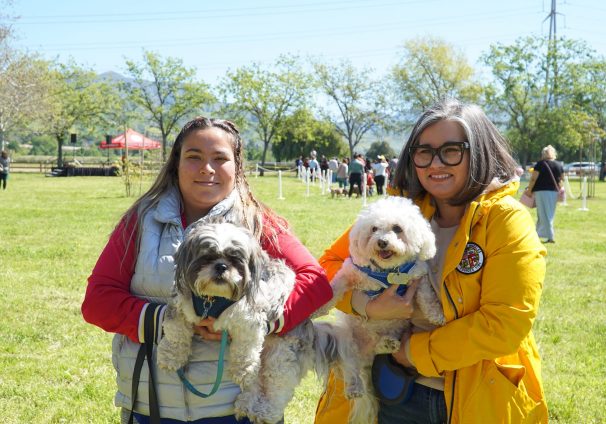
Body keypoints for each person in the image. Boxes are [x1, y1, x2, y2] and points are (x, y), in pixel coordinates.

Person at [82, 117, 333, 423]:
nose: (207, 169)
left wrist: (256, 324)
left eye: (219, 159)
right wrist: (169, 320)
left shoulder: (259, 222)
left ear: (237, 167)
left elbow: (316, 284)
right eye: (194, 157)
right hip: (153, 405)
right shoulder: (140, 220)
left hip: (236, 407)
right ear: (176, 163)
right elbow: (97, 302)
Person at [315, 99, 548, 423]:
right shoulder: (403, 208)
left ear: (478, 151)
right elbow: (327, 266)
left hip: (474, 398)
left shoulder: (507, 221)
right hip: (388, 390)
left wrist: (410, 352)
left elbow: (504, 324)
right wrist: (364, 306)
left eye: (451, 150)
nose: (435, 163)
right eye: (424, 151)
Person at [525, 145, 564, 244]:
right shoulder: (558, 165)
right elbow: (561, 179)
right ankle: (538, 234)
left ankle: (549, 235)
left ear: (543, 154)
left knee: (543, 214)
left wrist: (529, 190)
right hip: (554, 192)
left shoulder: (540, 164)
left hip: (541, 191)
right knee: (548, 213)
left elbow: (533, 179)